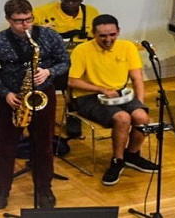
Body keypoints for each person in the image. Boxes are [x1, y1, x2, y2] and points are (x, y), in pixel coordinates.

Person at [0, 0, 69, 210]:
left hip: (42, 96)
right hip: (12, 99)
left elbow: (64, 61)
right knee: (5, 146)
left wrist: (48, 71)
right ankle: (1, 190)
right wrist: (5, 93)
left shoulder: (48, 36)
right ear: (8, 19)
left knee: (44, 146)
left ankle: (44, 188)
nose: (25, 25)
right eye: (19, 21)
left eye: (28, 19)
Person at [67, 14, 160, 186]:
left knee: (142, 117)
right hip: (88, 97)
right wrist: (102, 89)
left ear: (118, 32)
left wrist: (140, 103)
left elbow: (137, 78)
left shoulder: (127, 47)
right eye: (102, 36)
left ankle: (132, 155)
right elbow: (71, 80)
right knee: (122, 118)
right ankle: (117, 160)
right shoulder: (82, 50)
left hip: (119, 93)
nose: (108, 39)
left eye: (112, 35)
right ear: (93, 34)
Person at [33, 0, 100, 50]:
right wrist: (40, 30)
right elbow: (25, 28)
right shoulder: (42, 12)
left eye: (75, 0)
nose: (70, 3)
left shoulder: (91, 12)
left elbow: (100, 36)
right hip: (53, 55)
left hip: (82, 54)